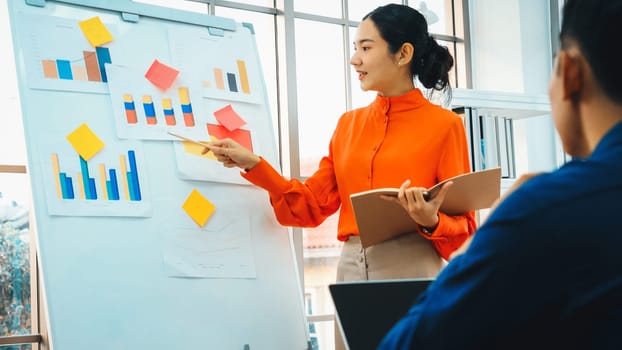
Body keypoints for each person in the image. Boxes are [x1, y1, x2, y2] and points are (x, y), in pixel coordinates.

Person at [206, 4, 476, 348]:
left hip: (412, 270)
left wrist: (430, 219)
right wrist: (254, 164)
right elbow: (309, 206)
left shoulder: (445, 126)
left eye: (366, 48)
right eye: (354, 49)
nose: (355, 60)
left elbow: (465, 233)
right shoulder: (348, 125)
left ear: (403, 53)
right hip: (349, 269)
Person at [378, 0, 622, 348]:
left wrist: (485, 240)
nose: (356, 59)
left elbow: (408, 343)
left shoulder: (545, 209)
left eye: (365, 47)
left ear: (569, 72)